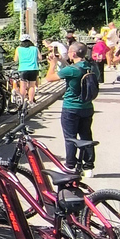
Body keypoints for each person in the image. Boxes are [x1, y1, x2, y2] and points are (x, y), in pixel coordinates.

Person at [45, 42, 99, 177]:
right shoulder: (91, 66)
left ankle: (70, 165)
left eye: (69, 52)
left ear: (73, 53)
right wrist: (62, 61)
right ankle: (88, 166)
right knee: (86, 135)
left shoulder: (71, 70)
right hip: (87, 106)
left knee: (70, 137)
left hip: (71, 107)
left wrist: (52, 64)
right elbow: (75, 70)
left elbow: (49, 78)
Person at [14, 34, 41, 104]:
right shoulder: (35, 48)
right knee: (32, 86)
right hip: (33, 69)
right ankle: (31, 101)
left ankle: (22, 101)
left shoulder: (18, 49)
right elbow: (40, 58)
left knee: (23, 86)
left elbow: (15, 59)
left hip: (23, 69)